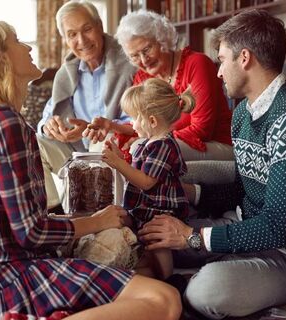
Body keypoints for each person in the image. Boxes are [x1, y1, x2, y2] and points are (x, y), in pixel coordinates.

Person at [0, 21, 180, 320]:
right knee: (165, 301)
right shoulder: (4, 123)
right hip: (13, 279)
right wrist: (99, 221)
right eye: (16, 40)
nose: (27, 46)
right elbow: (32, 232)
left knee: (136, 283)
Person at [138, 9, 286, 320]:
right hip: (242, 225)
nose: (218, 72)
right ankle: (191, 278)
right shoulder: (243, 113)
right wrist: (191, 192)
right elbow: (243, 189)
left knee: (207, 291)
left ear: (244, 58)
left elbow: (280, 226)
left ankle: (190, 284)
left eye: (221, 59)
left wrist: (191, 236)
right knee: (155, 240)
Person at [83, 9, 233, 162]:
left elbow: (202, 130)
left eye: (147, 49)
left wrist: (150, 140)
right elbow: (142, 124)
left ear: (162, 39)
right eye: (134, 56)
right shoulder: (143, 77)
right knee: (107, 145)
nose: (143, 59)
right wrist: (111, 126)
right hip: (170, 142)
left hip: (213, 144)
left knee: (145, 149)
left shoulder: (197, 64)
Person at [36, 0, 136, 211]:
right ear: (65, 39)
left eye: (87, 29)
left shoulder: (128, 62)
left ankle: (105, 215)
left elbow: (140, 118)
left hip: (113, 148)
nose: (81, 40)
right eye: (72, 34)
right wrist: (49, 126)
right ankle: (55, 215)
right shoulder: (67, 72)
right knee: (34, 143)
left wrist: (101, 127)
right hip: (76, 153)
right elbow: (47, 116)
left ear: (99, 26)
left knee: (102, 141)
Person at [102, 78, 194, 280]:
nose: (131, 124)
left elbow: (146, 181)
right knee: (143, 240)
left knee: (157, 242)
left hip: (159, 208)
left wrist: (119, 165)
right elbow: (138, 167)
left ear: (152, 121)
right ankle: (146, 269)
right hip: (145, 205)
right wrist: (120, 157)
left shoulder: (163, 145)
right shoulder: (148, 143)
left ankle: (169, 279)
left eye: (134, 118)